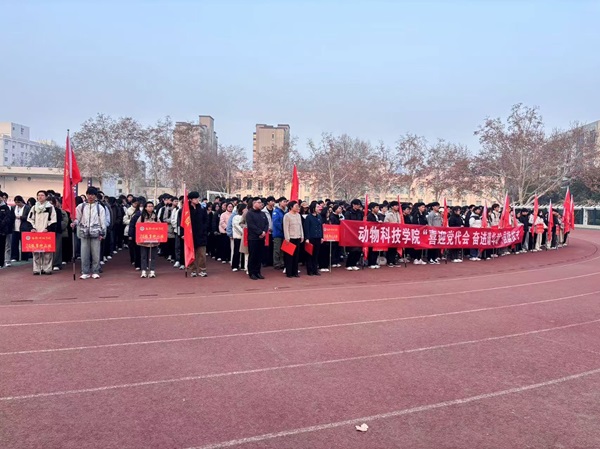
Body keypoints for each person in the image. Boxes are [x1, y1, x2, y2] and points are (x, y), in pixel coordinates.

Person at [73, 187, 106, 279]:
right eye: (89, 194)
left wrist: (103, 233)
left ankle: (95, 271)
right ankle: (85, 271)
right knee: (84, 254)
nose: (90, 196)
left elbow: (103, 221)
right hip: (84, 233)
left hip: (96, 233)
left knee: (96, 254)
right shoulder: (81, 207)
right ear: (86, 195)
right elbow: (77, 218)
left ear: (96, 196)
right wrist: (74, 223)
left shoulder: (100, 208)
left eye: (92, 195)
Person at [27, 190, 58, 275]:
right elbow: (30, 219)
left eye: (42, 195)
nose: (40, 197)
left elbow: (53, 220)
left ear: (46, 197)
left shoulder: (50, 207)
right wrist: (32, 228)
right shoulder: (34, 208)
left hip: (46, 232)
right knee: (36, 251)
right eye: (39, 195)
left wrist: (48, 228)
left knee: (47, 251)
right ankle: (37, 269)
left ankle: (47, 268)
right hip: (36, 233)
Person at [245, 197, 269, 280]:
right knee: (253, 255)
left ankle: (258, 272)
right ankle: (252, 272)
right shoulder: (249, 213)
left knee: (259, 256)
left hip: (261, 238)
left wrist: (264, 232)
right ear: (254, 203)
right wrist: (260, 232)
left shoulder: (262, 214)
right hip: (253, 238)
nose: (260, 204)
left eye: (261, 202)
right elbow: (251, 225)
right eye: (259, 202)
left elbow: (266, 224)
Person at [188, 191, 209, 277]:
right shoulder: (186, 210)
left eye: (197, 198)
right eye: (195, 198)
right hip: (190, 234)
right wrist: (182, 233)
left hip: (201, 234)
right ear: (190, 199)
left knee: (202, 254)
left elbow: (206, 220)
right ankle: (192, 270)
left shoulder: (202, 209)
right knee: (191, 253)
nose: (197, 200)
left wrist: (204, 229)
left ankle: (202, 270)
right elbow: (182, 223)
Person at [283, 200, 304, 278]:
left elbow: (300, 226)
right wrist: (287, 238)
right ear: (291, 207)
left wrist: (302, 235)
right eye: (296, 206)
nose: (298, 207)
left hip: (297, 237)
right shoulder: (287, 216)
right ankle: (289, 272)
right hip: (290, 238)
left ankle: (295, 272)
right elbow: (286, 227)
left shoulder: (298, 215)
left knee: (296, 256)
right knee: (289, 256)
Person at [139, 201, 159, 278]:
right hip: (144, 239)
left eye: (152, 206)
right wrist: (145, 224)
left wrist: (155, 224)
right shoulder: (142, 216)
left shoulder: (156, 216)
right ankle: (143, 271)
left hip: (153, 239)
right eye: (149, 206)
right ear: (145, 208)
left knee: (153, 256)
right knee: (144, 256)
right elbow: (138, 226)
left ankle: (152, 270)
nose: (151, 207)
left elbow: (160, 225)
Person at [303, 201, 323, 276]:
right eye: (317, 207)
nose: (318, 208)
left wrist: (322, 237)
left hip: (318, 237)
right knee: (310, 255)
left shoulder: (319, 216)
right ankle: (310, 270)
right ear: (313, 208)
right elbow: (306, 228)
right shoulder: (309, 217)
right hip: (311, 238)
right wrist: (307, 238)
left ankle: (315, 270)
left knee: (316, 254)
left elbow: (321, 227)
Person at [344, 199, 363, 271]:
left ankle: (354, 263)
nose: (358, 206)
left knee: (358, 250)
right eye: (357, 205)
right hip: (351, 233)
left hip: (359, 232)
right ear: (353, 205)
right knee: (352, 250)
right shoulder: (348, 212)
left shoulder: (360, 213)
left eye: (359, 205)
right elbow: (347, 222)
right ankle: (349, 264)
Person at [272, 197, 288, 270]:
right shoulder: (276, 211)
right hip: (278, 233)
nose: (285, 203)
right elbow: (276, 222)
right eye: (284, 201)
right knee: (277, 249)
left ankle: (282, 262)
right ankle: (276, 263)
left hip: (284, 233)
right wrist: (283, 229)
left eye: (286, 202)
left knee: (283, 249)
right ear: (280, 202)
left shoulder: (286, 211)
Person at [0, 193, 12, 268]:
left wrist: (1, 225)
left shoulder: (6, 207)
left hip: (3, 230)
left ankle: (1, 262)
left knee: (2, 246)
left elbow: (8, 218)